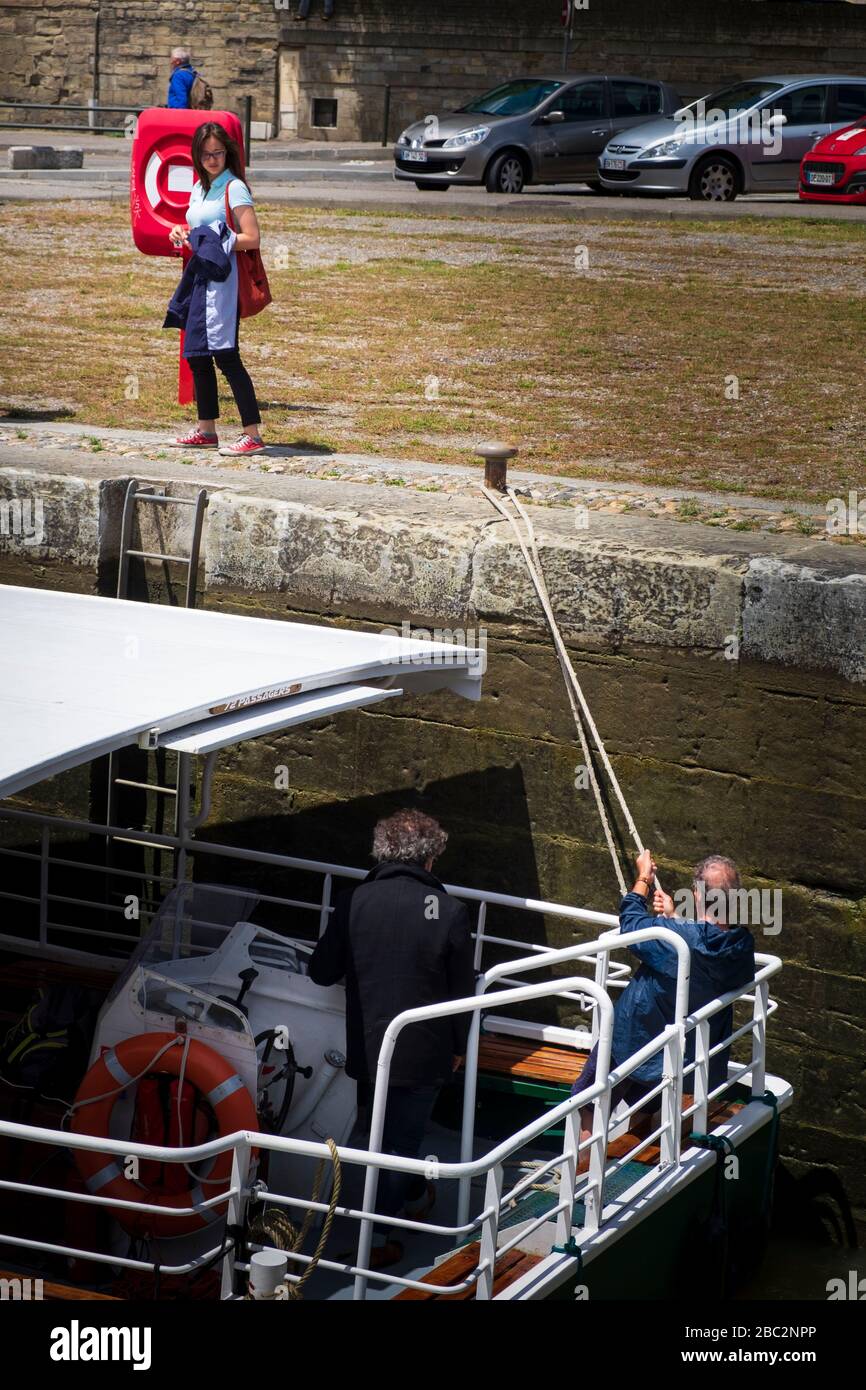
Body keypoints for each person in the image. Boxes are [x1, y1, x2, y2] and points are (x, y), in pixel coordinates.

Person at [308, 809, 475, 1269]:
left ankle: (403, 1203)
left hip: (368, 1045)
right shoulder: (450, 912)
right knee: (401, 1141)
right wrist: (460, 1047)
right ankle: (386, 1231)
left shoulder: (354, 901)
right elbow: (463, 991)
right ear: (430, 859)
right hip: (426, 1053)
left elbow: (322, 971)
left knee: (378, 1133)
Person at [572, 850, 756, 1152]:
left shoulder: (677, 939)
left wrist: (643, 879)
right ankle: (629, 1158)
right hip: (679, 1055)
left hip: (634, 1038)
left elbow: (631, 926)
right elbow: (703, 948)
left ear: (696, 892)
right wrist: (673, 919)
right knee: (646, 1107)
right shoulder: (740, 946)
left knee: (590, 1102)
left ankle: (582, 1174)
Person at [166, 123, 266, 456]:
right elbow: (198, 227)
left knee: (226, 355)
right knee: (195, 353)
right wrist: (181, 232)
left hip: (222, 282)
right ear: (197, 155)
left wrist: (213, 239)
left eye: (218, 153)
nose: (212, 159)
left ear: (229, 153)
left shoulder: (233, 187)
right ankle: (206, 429)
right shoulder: (200, 187)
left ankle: (251, 433)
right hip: (198, 278)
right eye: (206, 153)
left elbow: (252, 238)